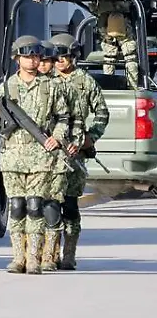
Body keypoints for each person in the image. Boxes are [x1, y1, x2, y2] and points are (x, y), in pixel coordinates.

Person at [0, 36, 80, 275]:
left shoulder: (51, 87)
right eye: (27, 56)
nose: (33, 61)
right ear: (17, 59)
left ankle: (34, 258)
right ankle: (18, 257)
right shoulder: (7, 87)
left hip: (41, 156)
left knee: (35, 206)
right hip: (13, 155)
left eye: (36, 56)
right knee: (16, 207)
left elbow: (64, 118)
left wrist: (57, 137)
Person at [49, 34, 109, 271]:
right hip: (51, 152)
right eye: (57, 57)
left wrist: (90, 138)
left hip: (75, 152)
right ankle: (50, 254)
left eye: (65, 56)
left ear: (73, 57)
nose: (60, 61)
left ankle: (69, 254)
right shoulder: (47, 80)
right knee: (50, 205)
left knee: (70, 205)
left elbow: (102, 112)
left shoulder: (85, 81)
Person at [87, 0, 138, 88]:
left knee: (108, 56)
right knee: (130, 56)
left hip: (102, 23)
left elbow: (91, 5)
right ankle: (133, 86)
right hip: (120, 21)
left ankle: (108, 85)